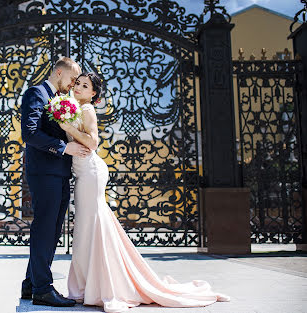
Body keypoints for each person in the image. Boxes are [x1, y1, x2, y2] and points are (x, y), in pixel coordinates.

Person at [59, 72, 231, 313]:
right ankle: (89, 284)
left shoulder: (86, 110)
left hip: (90, 172)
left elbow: (94, 142)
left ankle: (96, 285)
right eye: (77, 83)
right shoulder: (75, 107)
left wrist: (67, 127)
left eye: (84, 86)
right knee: (88, 228)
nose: (78, 87)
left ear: (93, 93)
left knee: (90, 227)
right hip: (85, 172)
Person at [20, 57, 89, 307]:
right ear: (59, 72)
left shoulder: (60, 98)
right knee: (45, 228)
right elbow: (29, 132)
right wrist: (63, 147)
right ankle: (42, 289)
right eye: (72, 78)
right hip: (44, 171)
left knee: (52, 229)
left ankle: (30, 284)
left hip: (58, 172)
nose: (73, 84)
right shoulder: (36, 93)